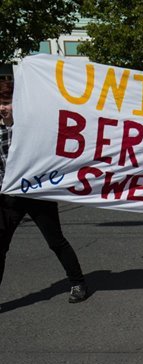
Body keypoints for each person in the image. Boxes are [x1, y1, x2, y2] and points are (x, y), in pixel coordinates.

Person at [0, 80, 88, 303]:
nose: (3, 108)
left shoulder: (30, 126)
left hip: (37, 194)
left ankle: (78, 283)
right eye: (0, 103)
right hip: (8, 198)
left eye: (7, 103)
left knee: (55, 241)